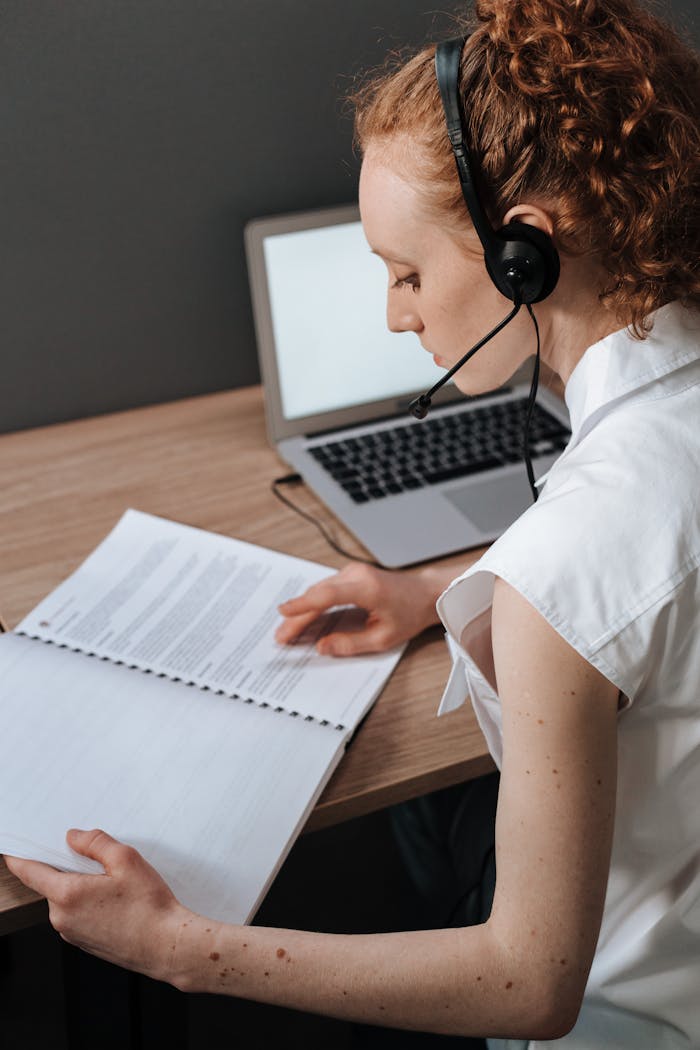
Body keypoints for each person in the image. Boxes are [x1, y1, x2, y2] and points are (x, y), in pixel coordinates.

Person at [6, 0, 700, 1045]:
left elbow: (528, 984)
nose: (394, 313)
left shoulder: (577, 553)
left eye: (408, 272)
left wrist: (181, 950)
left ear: (526, 254)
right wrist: (430, 592)